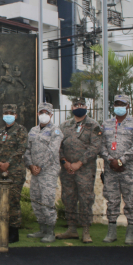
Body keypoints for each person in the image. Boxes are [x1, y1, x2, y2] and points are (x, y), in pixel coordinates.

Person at [100, 94, 133, 245]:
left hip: (129, 168)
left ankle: (130, 232)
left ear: (128, 106)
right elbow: (101, 145)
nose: (119, 106)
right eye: (117, 103)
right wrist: (110, 160)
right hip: (110, 168)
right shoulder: (106, 124)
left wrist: (121, 160)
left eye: (122, 104)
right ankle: (111, 232)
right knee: (112, 200)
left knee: (130, 200)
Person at [57, 97, 102, 243]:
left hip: (85, 170)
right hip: (67, 169)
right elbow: (58, 146)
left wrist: (79, 163)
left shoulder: (93, 125)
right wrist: (64, 162)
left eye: (82, 104)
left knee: (85, 199)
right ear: (72, 107)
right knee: (68, 197)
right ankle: (71, 228)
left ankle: (86, 230)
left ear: (86, 107)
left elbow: (95, 147)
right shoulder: (64, 126)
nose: (79, 106)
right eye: (76, 105)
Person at [24, 102, 63, 243]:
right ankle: (41, 229)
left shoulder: (56, 131)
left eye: (47, 112)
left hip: (48, 171)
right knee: (36, 199)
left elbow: (53, 151)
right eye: (41, 112)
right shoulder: (33, 131)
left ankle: (51, 231)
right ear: (38, 114)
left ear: (51, 115)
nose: (44, 115)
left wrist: (39, 165)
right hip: (35, 172)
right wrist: (30, 165)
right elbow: (27, 150)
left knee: (47, 200)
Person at [0, 104, 27, 243]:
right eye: (6, 113)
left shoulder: (21, 130)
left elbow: (21, 149)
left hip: (15, 171)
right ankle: (4, 229)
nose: (8, 115)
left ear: (16, 115)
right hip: (0, 171)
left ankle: (14, 232)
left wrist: (8, 163)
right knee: (3, 201)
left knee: (13, 201)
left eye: (11, 113)